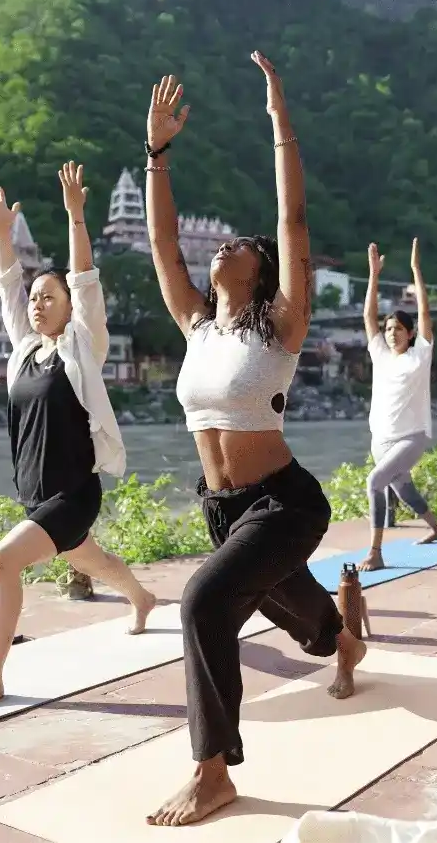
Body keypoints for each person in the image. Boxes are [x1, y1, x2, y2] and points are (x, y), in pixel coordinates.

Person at [141, 56, 367, 827]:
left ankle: (213, 772)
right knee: (285, 604)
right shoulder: (197, 324)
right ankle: (340, 634)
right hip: (223, 506)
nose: (221, 248)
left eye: (239, 242)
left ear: (262, 266)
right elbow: (163, 241)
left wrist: (280, 124)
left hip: (284, 502)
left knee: (204, 600)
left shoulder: (282, 326)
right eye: (219, 246)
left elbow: (294, 220)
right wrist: (157, 154)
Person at [0, 165, 158, 713]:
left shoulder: (84, 348)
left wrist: (76, 216)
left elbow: (85, 278)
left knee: (2, 562)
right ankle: (141, 597)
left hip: (74, 490)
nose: (37, 304)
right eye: (35, 298)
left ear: (68, 307)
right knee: (94, 562)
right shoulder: (23, 351)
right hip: (36, 492)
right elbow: (7, 286)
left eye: (48, 297)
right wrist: (1, 233)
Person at [359, 237, 437, 572]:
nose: (391, 332)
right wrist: (373, 274)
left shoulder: (420, 355)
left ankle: (376, 552)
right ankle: (436, 529)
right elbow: (368, 316)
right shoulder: (379, 354)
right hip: (380, 437)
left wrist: (415, 270)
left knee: (374, 482)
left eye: (398, 328)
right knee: (403, 488)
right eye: (388, 328)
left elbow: (424, 312)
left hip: (411, 435)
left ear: (410, 334)